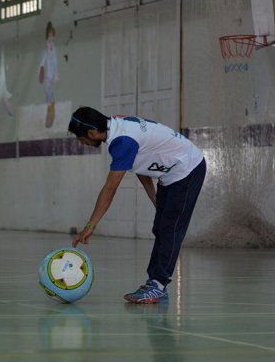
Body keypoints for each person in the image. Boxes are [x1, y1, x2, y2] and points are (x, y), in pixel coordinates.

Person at [68, 107, 206, 304]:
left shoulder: (122, 142)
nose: (81, 142)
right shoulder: (118, 126)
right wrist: (156, 201)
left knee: (170, 229)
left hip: (188, 169)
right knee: (160, 226)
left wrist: (90, 225)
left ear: (91, 133)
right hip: (171, 173)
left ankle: (157, 285)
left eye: (80, 138)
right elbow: (141, 164)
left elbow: (109, 190)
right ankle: (155, 283)